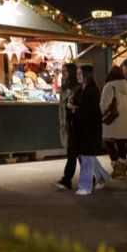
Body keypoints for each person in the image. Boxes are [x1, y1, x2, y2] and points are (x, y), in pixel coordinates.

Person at [70, 65, 105, 196]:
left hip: (90, 128)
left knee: (86, 158)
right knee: (88, 157)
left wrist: (75, 108)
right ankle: (102, 176)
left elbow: (89, 110)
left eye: (81, 74)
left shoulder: (93, 91)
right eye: (77, 73)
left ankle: (85, 186)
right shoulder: (80, 89)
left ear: (87, 75)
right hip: (80, 128)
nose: (78, 76)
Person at [101, 65, 127, 178]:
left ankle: (116, 168)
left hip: (112, 119)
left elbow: (104, 104)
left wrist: (100, 113)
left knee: (108, 142)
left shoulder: (109, 86)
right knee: (121, 144)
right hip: (125, 118)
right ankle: (122, 170)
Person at [54, 62, 79, 190]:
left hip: (74, 124)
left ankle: (66, 179)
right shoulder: (65, 86)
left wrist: (71, 108)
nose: (63, 73)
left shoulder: (76, 87)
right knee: (77, 154)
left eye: (66, 70)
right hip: (67, 123)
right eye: (62, 70)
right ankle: (92, 178)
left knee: (74, 153)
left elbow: (76, 105)